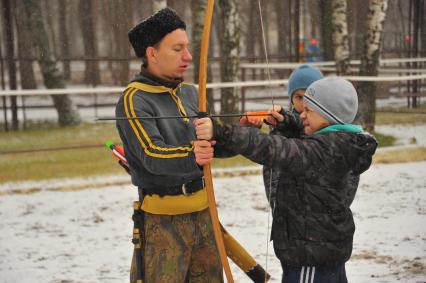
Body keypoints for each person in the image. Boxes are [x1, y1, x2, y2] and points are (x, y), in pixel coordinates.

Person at [194, 77, 378, 283]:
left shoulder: (326, 150)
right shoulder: (337, 142)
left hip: (311, 258)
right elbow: (304, 136)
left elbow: (275, 149)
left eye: (308, 110)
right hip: (318, 254)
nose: (302, 114)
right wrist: (287, 122)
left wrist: (222, 132)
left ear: (328, 116)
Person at [115, 8, 222, 283]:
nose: (188, 57)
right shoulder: (135, 99)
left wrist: (237, 133)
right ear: (152, 53)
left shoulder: (189, 94)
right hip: (163, 224)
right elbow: (151, 154)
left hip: (203, 216)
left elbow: (213, 145)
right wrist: (193, 154)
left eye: (187, 48)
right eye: (177, 49)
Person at [240, 64, 324, 210]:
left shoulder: (324, 128)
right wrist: (250, 131)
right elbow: (267, 152)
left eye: (310, 97)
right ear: (291, 99)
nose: (304, 103)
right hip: (284, 207)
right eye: (299, 97)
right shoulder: (282, 128)